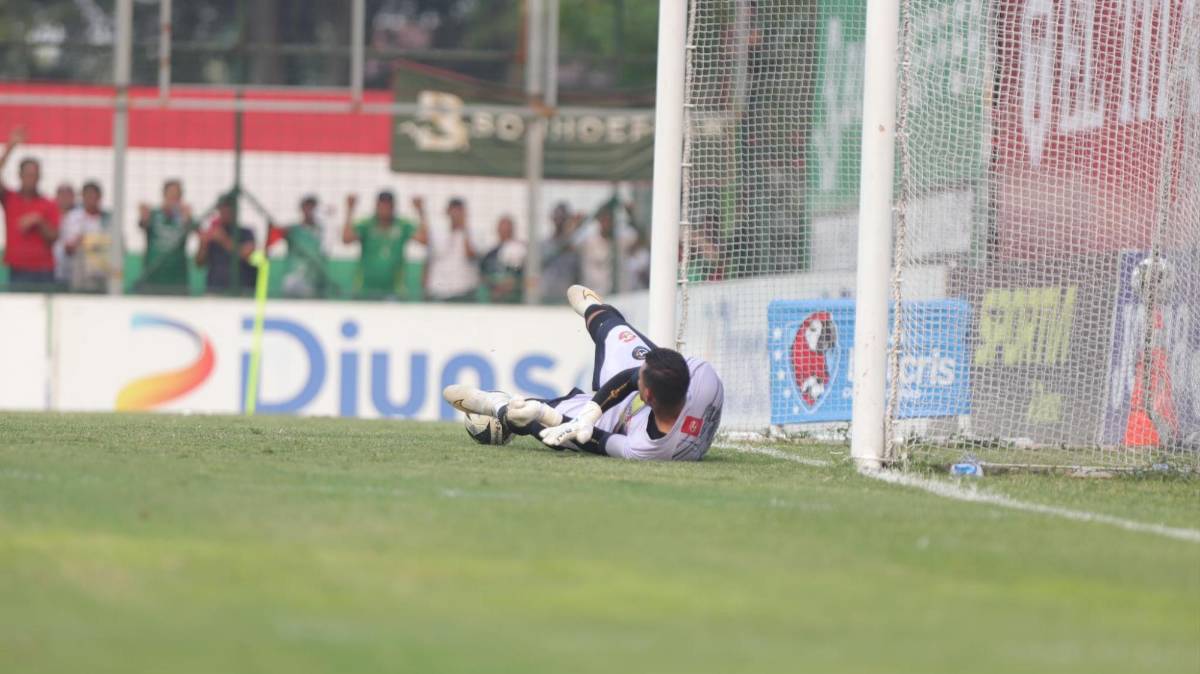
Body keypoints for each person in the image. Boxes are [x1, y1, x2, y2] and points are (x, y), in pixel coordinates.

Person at [444, 285, 724, 461]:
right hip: (644, 403)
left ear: (647, 394)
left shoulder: (645, 448)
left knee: (531, 416)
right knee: (614, 329)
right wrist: (593, 411)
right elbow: (630, 377)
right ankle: (596, 309)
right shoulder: (704, 377)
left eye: (641, 377)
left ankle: (498, 407)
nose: (636, 376)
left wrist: (552, 418)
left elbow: (599, 443)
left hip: (620, 422)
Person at [0, 126, 60, 289]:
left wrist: (39, 222)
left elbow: (54, 237)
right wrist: (9, 148)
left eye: (34, 175)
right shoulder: (10, 199)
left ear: (40, 177)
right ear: (20, 175)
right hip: (18, 269)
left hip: (44, 270)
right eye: (27, 174)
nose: (31, 179)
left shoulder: (49, 204)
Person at [342, 190, 427, 300]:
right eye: (382, 205)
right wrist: (350, 209)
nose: (385, 209)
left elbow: (424, 240)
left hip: (394, 290)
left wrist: (420, 211)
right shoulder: (367, 225)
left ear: (393, 207)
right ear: (376, 206)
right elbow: (346, 239)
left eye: (388, 206)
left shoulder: (402, 225)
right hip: (365, 289)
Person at [137, 179, 195, 294]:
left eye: (177, 195)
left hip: (178, 280)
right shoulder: (153, 214)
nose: (173, 198)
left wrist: (188, 218)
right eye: (171, 194)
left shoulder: (184, 216)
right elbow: (142, 225)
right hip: (153, 279)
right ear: (164, 195)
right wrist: (144, 215)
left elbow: (196, 231)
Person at [269, 194, 328, 298]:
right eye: (307, 207)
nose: (310, 210)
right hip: (294, 278)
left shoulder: (323, 230)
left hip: (315, 280)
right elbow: (271, 239)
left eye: (312, 207)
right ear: (302, 209)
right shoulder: (293, 230)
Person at [196, 193, 256, 295]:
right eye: (222, 209)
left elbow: (247, 255)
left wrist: (224, 240)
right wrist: (203, 243)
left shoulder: (246, 233)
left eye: (228, 208)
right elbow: (199, 263)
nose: (224, 212)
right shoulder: (213, 231)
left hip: (241, 290)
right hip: (214, 290)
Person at [424, 197, 480, 302]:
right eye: (453, 210)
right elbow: (428, 259)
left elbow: (470, 255)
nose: (456, 215)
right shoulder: (437, 232)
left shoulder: (475, 233)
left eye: (459, 211)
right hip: (438, 291)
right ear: (447, 212)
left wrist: (464, 229)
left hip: (464, 292)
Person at [59, 181, 110, 292]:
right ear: (82, 197)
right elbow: (67, 248)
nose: (91, 199)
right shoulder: (73, 218)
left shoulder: (108, 219)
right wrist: (82, 242)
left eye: (94, 196)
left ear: (100, 197)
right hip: (80, 275)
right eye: (88, 196)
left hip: (103, 275)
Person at [539, 202, 581, 301]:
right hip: (545, 297)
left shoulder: (574, 248)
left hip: (566, 299)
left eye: (563, 218)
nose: (560, 221)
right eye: (557, 217)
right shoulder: (544, 245)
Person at [479, 214, 525, 303]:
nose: (505, 231)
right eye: (502, 228)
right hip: (492, 299)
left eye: (507, 228)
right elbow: (482, 275)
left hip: (514, 301)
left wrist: (504, 288)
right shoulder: (490, 254)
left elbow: (521, 276)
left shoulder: (521, 251)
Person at [51, 182, 76, 283]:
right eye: (62, 195)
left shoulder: (80, 216)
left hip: (73, 272)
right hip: (51, 271)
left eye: (68, 195)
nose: (65, 199)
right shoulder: (49, 215)